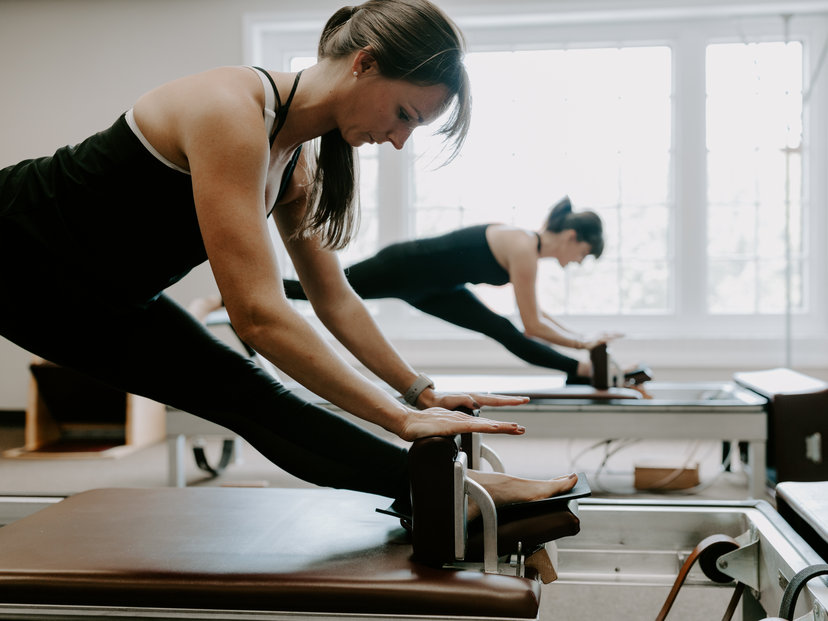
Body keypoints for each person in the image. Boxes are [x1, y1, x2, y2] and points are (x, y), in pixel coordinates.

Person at [0, 0, 576, 514]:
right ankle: (454, 490)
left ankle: (450, 493)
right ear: (365, 62)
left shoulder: (297, 166)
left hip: (100, 300)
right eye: (405, 114)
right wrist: (397, 418)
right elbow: (258, 314)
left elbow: (335, 300)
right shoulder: (229, 109)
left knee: (251, 397)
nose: (400, 139)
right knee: (254, 387)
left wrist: (417, 391)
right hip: (15, 248)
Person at [282, 197, 622, 384]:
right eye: (584, 254)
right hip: (404, 267)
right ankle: (230, 288)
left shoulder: (526, 250)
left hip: (437, 288)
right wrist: (583, 343)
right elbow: (533, 325)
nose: (579, 262)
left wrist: (584, 340)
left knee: (500, 329)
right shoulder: (522, 246)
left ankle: (580, 371)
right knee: (310, 290)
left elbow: (535, 315)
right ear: (573, 238)